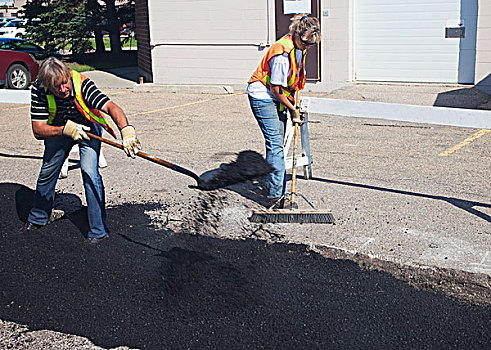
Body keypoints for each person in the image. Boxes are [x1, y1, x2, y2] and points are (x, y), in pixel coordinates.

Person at [24, 57, 141, 243]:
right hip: (60, 129)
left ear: (67, 75)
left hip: (88, 129)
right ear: (47, 85)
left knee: (89, 173)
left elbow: (110, 107)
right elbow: (38, 130)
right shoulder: (39, 89)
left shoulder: (81, 84)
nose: (63, 89)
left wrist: (126, 130)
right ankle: (38, 217)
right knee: (48, 171)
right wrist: (66, 130)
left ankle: (98, 230)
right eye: (57, 87)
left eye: (64, 83)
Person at [247, 14, 321, 208]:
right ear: (297, 33)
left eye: (311, 45)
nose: (307, 47)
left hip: (279, 97)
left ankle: (273, 182)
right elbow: (276, 89)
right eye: (305, 43)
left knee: (277, 143)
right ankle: (275, 197)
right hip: (263, 97)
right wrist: (293, 110)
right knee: (276, 145)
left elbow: (293, 78)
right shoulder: (282, 53)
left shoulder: (299, 47)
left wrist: (293, 103)